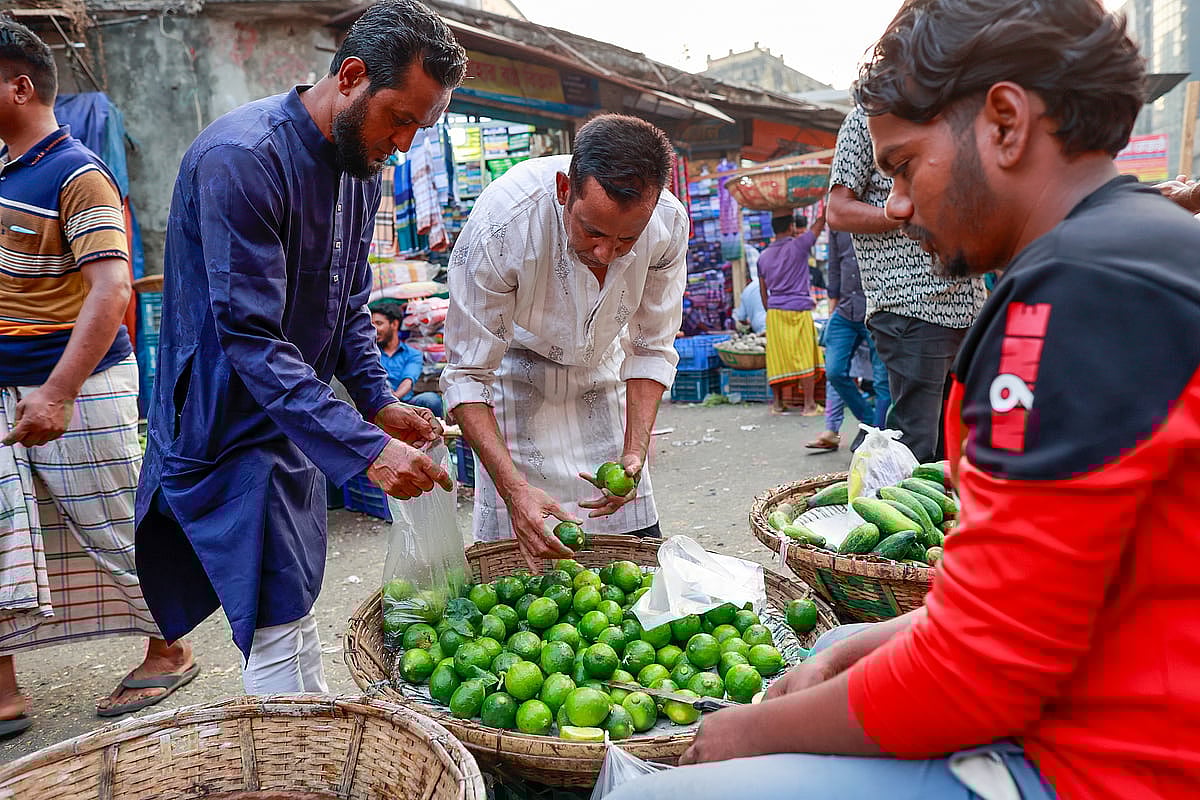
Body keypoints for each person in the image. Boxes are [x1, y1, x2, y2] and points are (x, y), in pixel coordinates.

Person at [607, 1, 1198, 798]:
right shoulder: (1145, 250)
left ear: (1004, 123)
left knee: (664, 790)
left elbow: (978, 675)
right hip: (1123, 688)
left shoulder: (1069, 302)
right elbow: (1053, 594)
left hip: (1106, 764)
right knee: (840, 649)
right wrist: (894, 632)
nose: (893, 207)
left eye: (904, 164)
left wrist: (744, 732)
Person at [134, 0, 464, 694]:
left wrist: (376, 403)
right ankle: (288, 759)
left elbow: (344, 300)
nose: (402, 143)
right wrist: (368, 451)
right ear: (350, 76)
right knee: (276, 614)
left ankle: (295, 740)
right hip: (227, 425)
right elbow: (251, 338)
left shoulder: (359, 170)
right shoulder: (244, 159)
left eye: (418, 128)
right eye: (398, 117)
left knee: (291, 604)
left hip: (292, 420)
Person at [0, 19, 196, 736]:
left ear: (20, 86)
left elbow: (112, 291)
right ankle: (3, 687)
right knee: (7, 537)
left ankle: (169, 650)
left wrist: (57, 390)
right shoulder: (6, 167)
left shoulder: (76, 173)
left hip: (76, 388)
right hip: (9, 386)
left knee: (117, 526)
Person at [441, 114, 688, 571]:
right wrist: (513, 491)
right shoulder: (502, 226)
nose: (606, 253)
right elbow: (468, 376)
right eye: (592, 231)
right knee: (517, 572)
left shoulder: (668, 225)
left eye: (625, 239)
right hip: (515, 382)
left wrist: (634, 451)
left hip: (604, 379)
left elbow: (652, 347)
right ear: (563, 190)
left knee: (634, 571)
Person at [828, 99, 987, 461]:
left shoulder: (947, 117)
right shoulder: (864, 120)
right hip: (910, 305)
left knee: (960, 442)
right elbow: (837, 210)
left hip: (968, 305)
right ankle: (904, 514)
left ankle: (956, 518)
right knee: (918, 446)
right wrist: (905, 213)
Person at [806, 229, 890, 450]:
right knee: (834, 371)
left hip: (876, 311)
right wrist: (832, 309)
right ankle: (869, 420)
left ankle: (877, 437)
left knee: (882, 380)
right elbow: (834, 267)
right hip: (845, 311)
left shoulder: (878, 214)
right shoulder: (836, 223)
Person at [758, 212, 826, 415]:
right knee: (804, 354)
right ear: (791, 227)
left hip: (775, 311)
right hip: (798, 309)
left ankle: (777, 404)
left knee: (778, 357)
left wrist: (770, 311)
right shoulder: (799, 245)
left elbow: (764, 292)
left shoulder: (763, 256)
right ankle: (809, 405)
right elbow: (819, 225)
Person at [369, 299, 444, 417]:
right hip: (377, 403)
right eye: (371, 324)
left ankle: (437, 433)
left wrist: (392, 400)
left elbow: (409, 380)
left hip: (404, 402)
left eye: (379, 323)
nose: (374, 329)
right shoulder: (370, 352)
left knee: (431, 399)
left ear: (394, 324)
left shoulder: (412, 354)